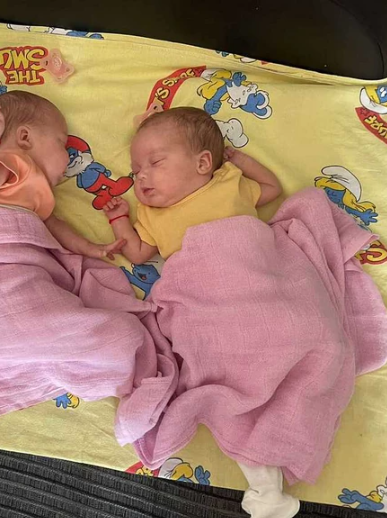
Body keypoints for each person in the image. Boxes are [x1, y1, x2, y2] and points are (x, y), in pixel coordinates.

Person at [104, 106, 296, 518]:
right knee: (219, 376)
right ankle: (265, 484)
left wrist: (240, 160)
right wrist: (120, 220)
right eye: (136, 171)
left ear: (204, 163)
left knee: (280, 353)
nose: (142, 177)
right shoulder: (152, 215)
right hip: (204, 303)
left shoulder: (229, 184)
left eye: (155, 163)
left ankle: (275, 447)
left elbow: (272, 188)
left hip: (254, 287)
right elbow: (138, 254)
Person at [0, 91, 125, 259]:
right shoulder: (12, 161)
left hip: (20, 257)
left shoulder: (40, 196)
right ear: (25, 137)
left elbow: (56, 228)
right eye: (62, 143)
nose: (69, 157)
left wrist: (90, 248)